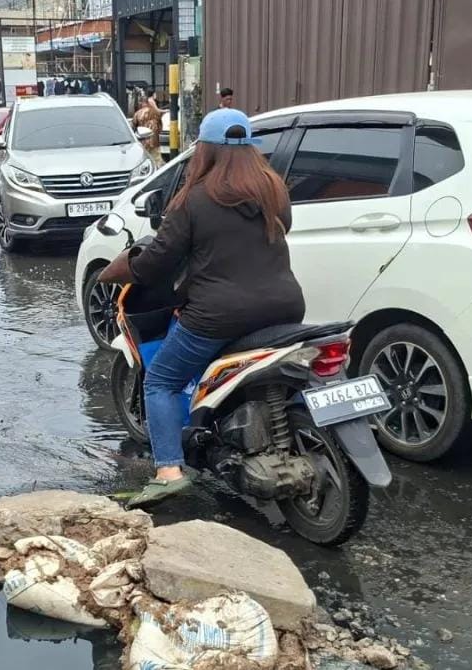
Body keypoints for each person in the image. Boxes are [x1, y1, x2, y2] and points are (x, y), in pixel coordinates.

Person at [98, 108, 305, 508]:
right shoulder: (273, 190)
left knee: (160, 380)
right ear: (250, 150)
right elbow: (281, 230)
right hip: (285, 305)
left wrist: (126, 269)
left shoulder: (194, 199)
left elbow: (159, 259)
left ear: (205, 151)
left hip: (218, 314)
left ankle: (169, 471)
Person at [133, 89, 163, 166]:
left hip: (143, 142)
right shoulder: (155, 112)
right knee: (156, 159)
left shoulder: (137, 114)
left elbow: (134, 127)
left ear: (142, 103)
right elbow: (160, 126)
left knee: (143, 160)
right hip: (155, 140)